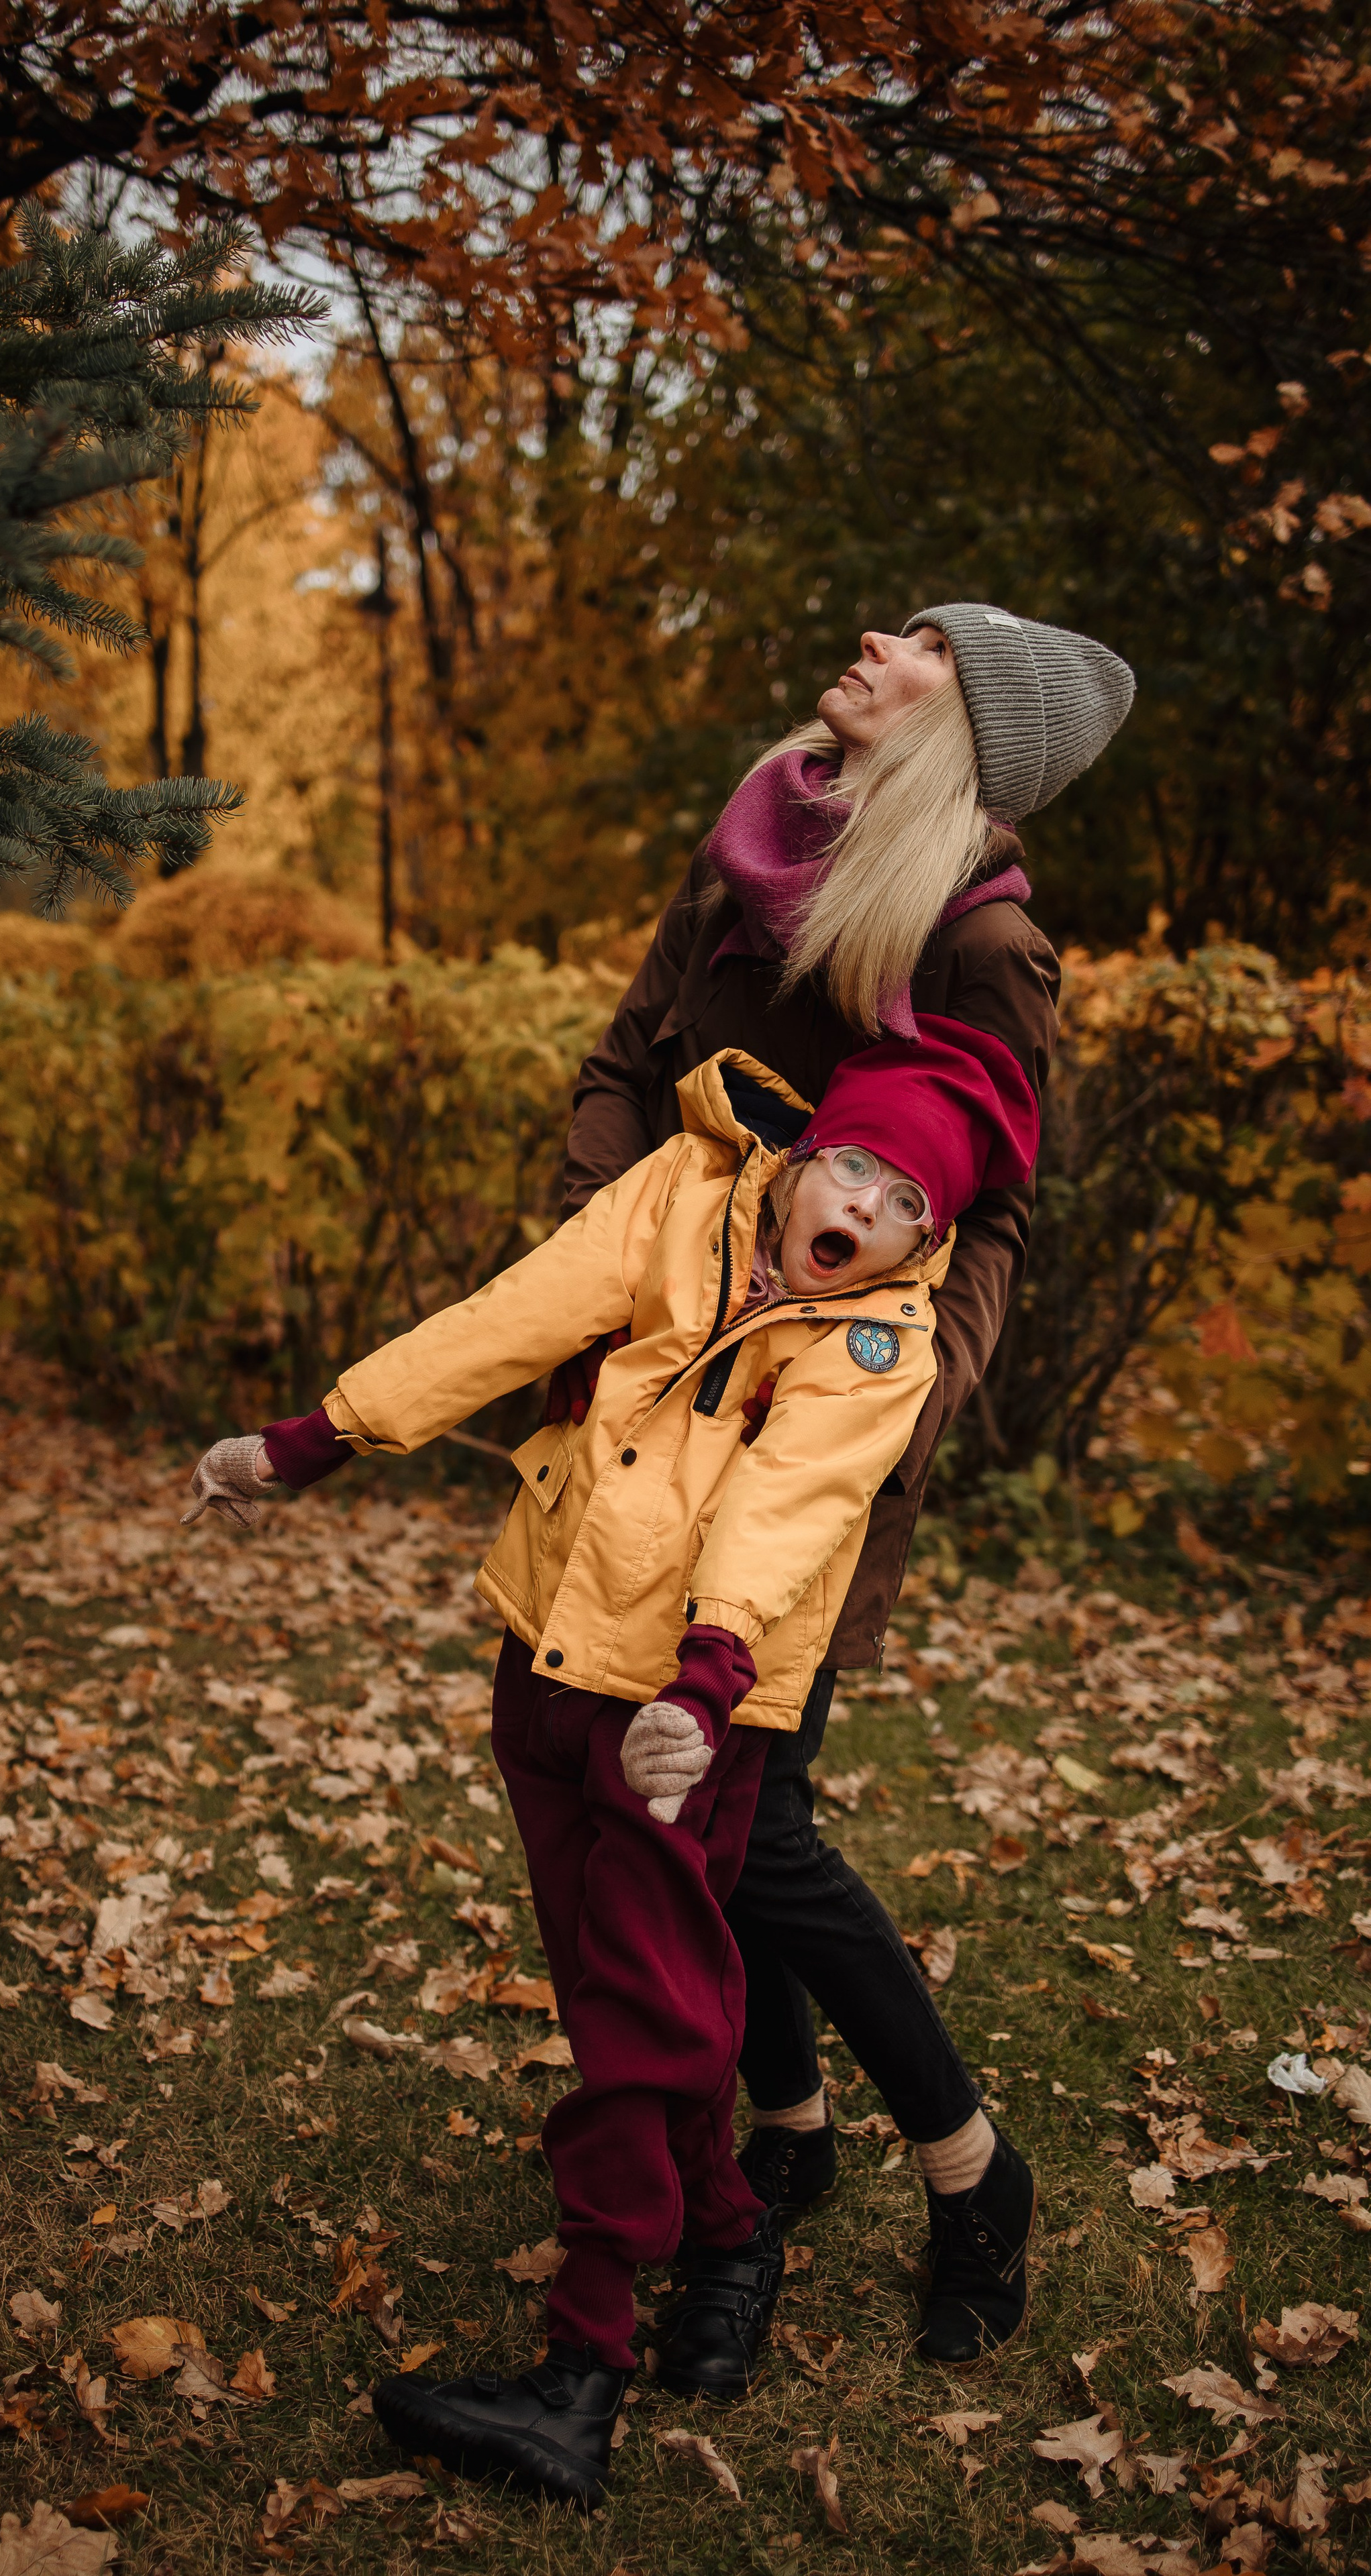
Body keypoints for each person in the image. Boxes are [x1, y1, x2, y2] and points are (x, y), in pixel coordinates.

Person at [183, 1018, 1039, 2510]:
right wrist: (317, 1438)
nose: (867, 1211)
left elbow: (788, 1505)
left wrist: (704, 1683)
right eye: (854, 1169)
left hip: (684, 1711)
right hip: (548, 1645)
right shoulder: (680, 1192)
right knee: (606, 1983)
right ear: (800, 1159)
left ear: (927, 1240)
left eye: (909, 1205)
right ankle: (729, 2238)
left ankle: (578, 2371)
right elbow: (510, 1317)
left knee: (644, 2020)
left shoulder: (877, 1341)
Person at [549, 602, 1134, 2387]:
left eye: (926, 646)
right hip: (658, 1394)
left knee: (755, 1821)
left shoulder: (982, 938)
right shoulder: (756, 840)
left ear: (968, 727)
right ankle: (789, 2127)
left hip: (815, 1434)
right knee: (698, 1810)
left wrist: (887, 1414)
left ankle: (969, 2171)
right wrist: (594, 1289)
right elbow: (624, 1067)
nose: (878, 639)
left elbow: (996, 1215)